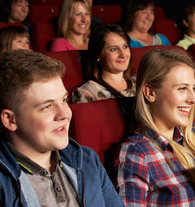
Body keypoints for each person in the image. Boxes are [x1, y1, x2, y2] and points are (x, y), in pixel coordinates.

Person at [0, 49, 125, 206]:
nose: (65, 114)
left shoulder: (86, 160)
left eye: (64, 100)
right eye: (47, 106)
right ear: (10, 120)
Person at [115, 49, 195, 206]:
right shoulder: (136, 152)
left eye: (194, 88)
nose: (193, 99)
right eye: (182, 88)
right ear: (150, 92)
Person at [72, 23, 136, 103]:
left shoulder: (140, 84)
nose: (123, 54)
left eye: (125, 47)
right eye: (113, 49)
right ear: (98, 55)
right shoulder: (89, 93)